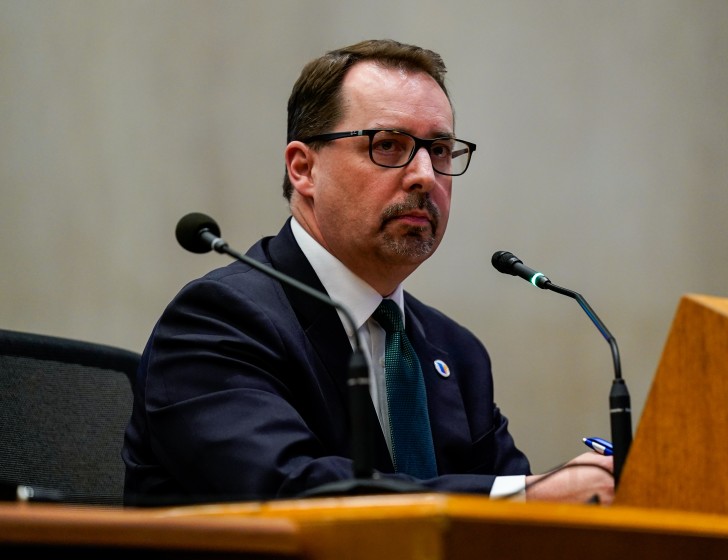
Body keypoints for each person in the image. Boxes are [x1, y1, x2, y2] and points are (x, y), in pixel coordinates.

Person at [122, 39, 614, 506]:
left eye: (440, 150)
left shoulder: (456, 353)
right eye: (389, 145)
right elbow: (292, 491)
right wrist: (529, 495)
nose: (425, 174)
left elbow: (508, 516)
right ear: (304, 169)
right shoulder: (218, 321)